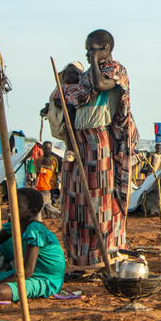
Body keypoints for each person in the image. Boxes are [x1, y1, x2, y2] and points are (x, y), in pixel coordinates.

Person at [54, 31, 137, 268]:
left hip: (98, 140)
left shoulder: (115, 70)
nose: (89, 53)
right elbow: (70, 98)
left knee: (100, 197)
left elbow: (100, 85)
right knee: (75, 198)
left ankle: (104, 253)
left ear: (107, 47)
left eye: (94, 48)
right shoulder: (85, 78)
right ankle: (81, 257)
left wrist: (93, 61)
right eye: (87, 50)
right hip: (78, 140)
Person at [35, 141, 62, 217]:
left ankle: (51, 214)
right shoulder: (39, 160)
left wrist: (57, 181)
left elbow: (56, 171)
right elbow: (37, 173)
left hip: (51, 183)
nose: (47, 150)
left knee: (50, 201)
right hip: (42, 185)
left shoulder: (54, 160)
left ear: (51, 149)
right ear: (42, 149)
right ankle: (47, 214)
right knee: (45, 202)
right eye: (45, 148)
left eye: (49, 149)